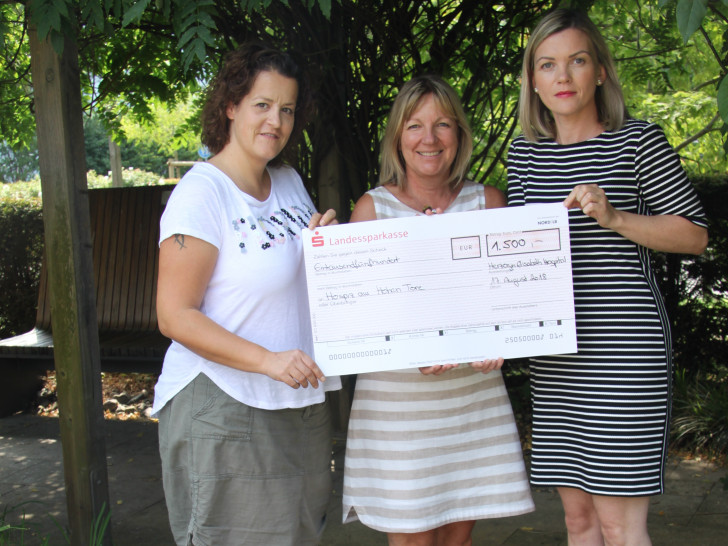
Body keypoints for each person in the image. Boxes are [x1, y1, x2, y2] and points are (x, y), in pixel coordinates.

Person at [508, 8, 708, 546]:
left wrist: (615, 217)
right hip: (557, 356)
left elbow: (694, 236)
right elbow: (514, 260)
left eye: (576, 61)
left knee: (621, 525)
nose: (562, 77)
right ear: (533, 79)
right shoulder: (525, 155)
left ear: (599, 70)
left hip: (624, 353)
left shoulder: (638, 141)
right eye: (547, 65)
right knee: (579, 522)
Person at [152, 42, 342, 546]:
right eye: (262, 105)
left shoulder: (288, 183)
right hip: (224, 406)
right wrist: (266, 360)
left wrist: (326, 243)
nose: (275, 121)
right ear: (231, 106)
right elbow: (174, 316)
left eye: (286, 109)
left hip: (296, 402)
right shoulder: (202, 193)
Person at [342, 74, 535, 546]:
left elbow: (513, 300)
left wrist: (503, 340)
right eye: (414, 126)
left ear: (460, 137)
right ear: (397, 138)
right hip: (398, 408)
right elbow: (355, 324)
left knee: (457, 539)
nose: (429, 139)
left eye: (443, 125)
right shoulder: (371, 210)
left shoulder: (488, 202)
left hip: (470, 402)